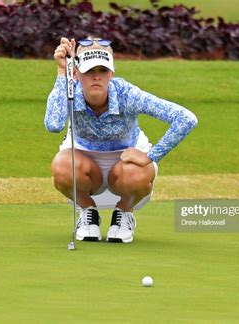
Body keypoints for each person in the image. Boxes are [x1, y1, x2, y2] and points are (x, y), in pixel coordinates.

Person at [44, 37, 197, 243]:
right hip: (83, 164)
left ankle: (124, 212)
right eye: (89, 71)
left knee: (137, 172)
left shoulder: (128, 94)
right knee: (61, 165)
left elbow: (186, 118)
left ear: (112, 74)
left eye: (103, 71)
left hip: (126, 165)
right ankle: (88, 212)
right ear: (77, 73)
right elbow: (53, 124)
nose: (96, 77)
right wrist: (62, 72)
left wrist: (151, 156)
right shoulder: (70, 90)